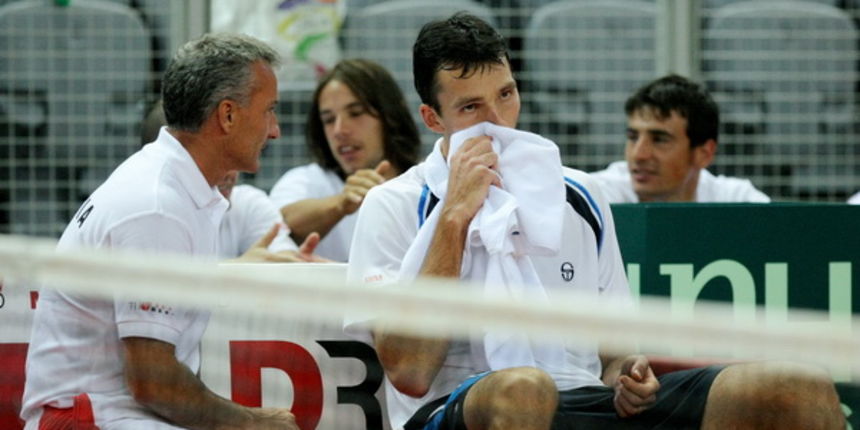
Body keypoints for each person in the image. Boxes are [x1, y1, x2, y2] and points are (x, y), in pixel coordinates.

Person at [344, 13, 843, 430]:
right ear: (434, 118)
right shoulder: (394, 203)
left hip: (582, 401)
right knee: (525, 387)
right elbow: (409, 372)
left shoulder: (581, 194)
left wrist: (632, 377)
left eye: (506, 95)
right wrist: (454, 216)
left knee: (794, 387)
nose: (497, 120)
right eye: (472, 107)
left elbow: (616, 357)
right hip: (455, 407)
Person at [21, 33, 299, 429]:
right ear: (228, 115)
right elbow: (153, 382)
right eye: (269, 110)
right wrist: (252, 422)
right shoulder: (157, 206)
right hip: (88, 419)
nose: (275, 131)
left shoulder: (171, 187)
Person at [269, 58, 421, 262]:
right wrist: (341, 203)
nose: (340, 130)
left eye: (356, 113)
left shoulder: (426, 182)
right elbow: (276, 224)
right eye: (328, 120)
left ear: (390, 116)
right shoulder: (307, 180)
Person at [141, 100, 324, 263]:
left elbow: (280, 258)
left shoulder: (248, 204)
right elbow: (167, 293)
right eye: (211, 157)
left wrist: (295, 266)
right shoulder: (154, 212)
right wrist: (239, 271)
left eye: (230, 153)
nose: (228, 172)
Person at [591, 75, 771, 203]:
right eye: (633, 137)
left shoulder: (737, 201)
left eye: (659, 140)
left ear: (704, 153)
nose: (639, 155)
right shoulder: (595, 196)